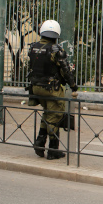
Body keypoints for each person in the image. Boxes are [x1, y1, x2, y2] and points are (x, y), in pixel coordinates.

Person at [28, 19, 77, 160]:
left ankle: (39, 143)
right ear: (56, 35)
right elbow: (66, 71)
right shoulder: (56, 50)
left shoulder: (33, 47)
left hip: (36, 88)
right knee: (55, 116)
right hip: (51, 89)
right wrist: (73, 86)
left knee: (48, 114)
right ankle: (52, 150)